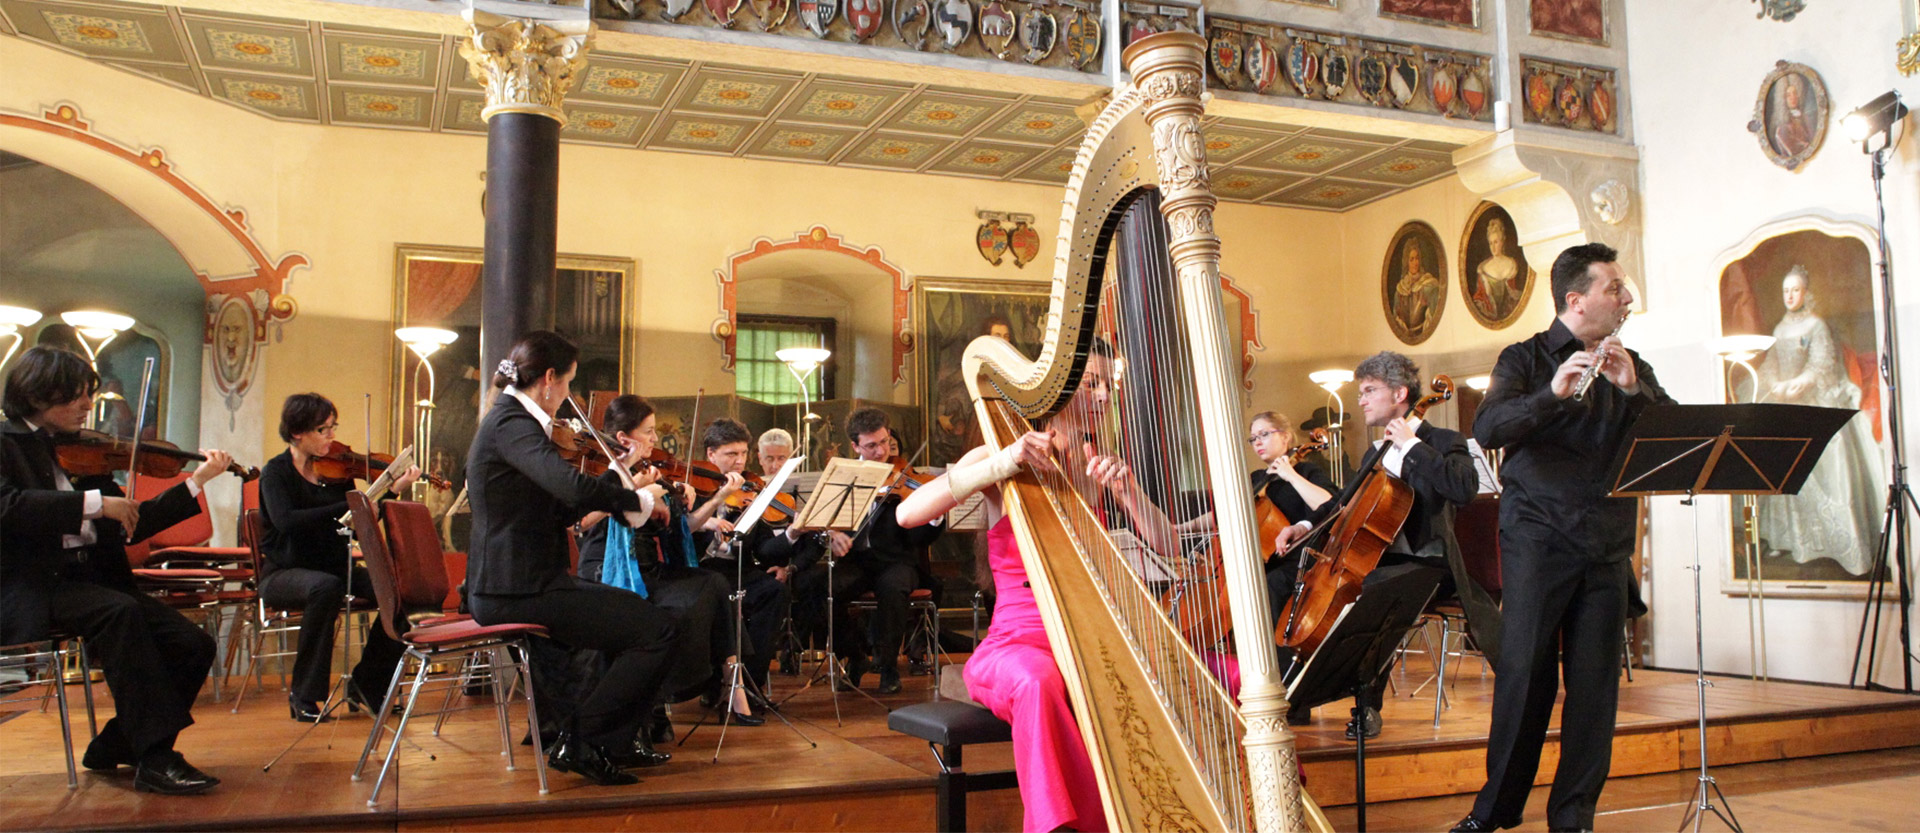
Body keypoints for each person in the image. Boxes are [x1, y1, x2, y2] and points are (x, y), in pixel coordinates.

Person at [1452, 243, 1674, 833]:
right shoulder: (1523, 358)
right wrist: (1550, 395)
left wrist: (1634, 393)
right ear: (1576, 300)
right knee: (1525, 678)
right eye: (1616, 289)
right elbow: (1489, 426)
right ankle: (1493, 812)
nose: (1627, 299)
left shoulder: (1633, 364)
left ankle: (1573, 819)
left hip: (1605, 545)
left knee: (1595, 691)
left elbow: (1674, 434)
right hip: (1538, 542)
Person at [894, 342, 1141, 833]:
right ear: (1057, 388)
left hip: (1092, 635)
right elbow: (908, 513)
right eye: (1091, 383)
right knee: (1038, 681)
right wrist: (1003, 463)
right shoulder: (1000, 449)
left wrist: (1129, 494)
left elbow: (1165, 544)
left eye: (1109, 385)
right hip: (1016, 640)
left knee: (1222, 674)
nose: (1103, 395)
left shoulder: (1100, 461)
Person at [0, 345, 237, 795]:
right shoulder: (4, 443)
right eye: (76, 396)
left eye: (88, 395)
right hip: (35, 585)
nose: (88, 406)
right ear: (37, 396)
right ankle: (156, 758)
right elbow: (8, 507)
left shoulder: (81, 453)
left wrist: (196, 482)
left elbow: (133, 521)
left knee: (193, 643)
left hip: (93, 581)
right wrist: (93, 504)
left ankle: (116, 744)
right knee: (119, 614)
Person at [464, 330, 674, 786]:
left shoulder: (512, 422)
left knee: (643, 622)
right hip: (514, 589)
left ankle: (600, 740)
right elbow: (570, 486)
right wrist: (630, 498)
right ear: (549, 378)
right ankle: (585, 742)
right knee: (657, 629)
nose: (569, 396)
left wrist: (625, 489)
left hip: (527, 583)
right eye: (569, 384)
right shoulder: (511, 424)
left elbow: (559, 506)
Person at [1272, 352, 1496, 740]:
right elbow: (1344, 503)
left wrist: (1412, 447)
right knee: (1295, 585)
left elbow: (1464, 488)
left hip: (1429, 563)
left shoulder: (1442, 441)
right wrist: (1304, 525)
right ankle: (1297, 696)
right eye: (1361, 392)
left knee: (1372, 597)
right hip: (1379, 560)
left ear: (1400, 394)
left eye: (1369, 390)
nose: (1361, 399)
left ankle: (1366, 706)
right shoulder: (1374, 452)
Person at [574, 394, 742, 745]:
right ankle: (661, 698)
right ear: (624, 439)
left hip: (649, 569)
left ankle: (719, 682)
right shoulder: (609, 475)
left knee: (712, 582)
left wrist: (716, 499)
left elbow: (686, 527)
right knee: (682, 605)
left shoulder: (654, 475)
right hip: (609, 569)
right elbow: (583, 521)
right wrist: (632, 490)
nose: (655, 439)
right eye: (648, 432)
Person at [256, 392, 418, 722]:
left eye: (333, 427)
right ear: (298, 432)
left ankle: (367, 685)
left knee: (404, 592)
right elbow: (285, 520)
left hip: (335, 566)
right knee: (325, 588)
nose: (332, 436)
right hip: (285, 571)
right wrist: (345, 505)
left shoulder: (338, 471)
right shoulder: (275, 473)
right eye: (323, 429)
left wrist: (389, 492)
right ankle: (303, 695)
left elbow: (359, 528)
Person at [1753, 265, 1884, 574]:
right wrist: (1775, 384)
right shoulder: (1779, 330)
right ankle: (1789, 540)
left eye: (1795, 290)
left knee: (1825, 460)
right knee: (1784, 467)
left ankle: (1838, 545)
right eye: (1785, 291)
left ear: (1806, 293)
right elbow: (1771, 363)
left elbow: (1822, 363)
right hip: (1784, 401)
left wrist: (1801, 382)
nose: (1789, 296)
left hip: (1812, 400)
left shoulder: (1816, 325)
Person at [812, 408, 944, 694]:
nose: (881, 450)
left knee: (893, 588)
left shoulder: (909, 481)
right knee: (823, 590)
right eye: (871, 445)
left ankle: (888, 667)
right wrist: (831, 534)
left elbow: (921, 536)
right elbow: (820, 520)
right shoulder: (843, 478)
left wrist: (936, 514)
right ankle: (855, 656)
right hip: (857, 561)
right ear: (855, 446)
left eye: (884, 441)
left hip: (899, 561)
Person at [690, 417, 795, 723]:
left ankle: (751, 684)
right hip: (703, 570)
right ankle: (714, 683)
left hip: (740, 570)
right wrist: (709, 521)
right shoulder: (694, 488)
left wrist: (792, 534)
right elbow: (680, 535)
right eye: (730, 454)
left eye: (743, 454)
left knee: (774, 591)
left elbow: (763, 548)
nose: (739, 461)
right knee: (718, 596)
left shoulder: (752, 490)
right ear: (711, 454)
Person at [1472, 217, 1522, 321]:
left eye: (1496, 242)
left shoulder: (1512, 265)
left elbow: (1517, 297)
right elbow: (1478, 299)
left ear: (1502, 241)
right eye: (1490, 243)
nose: (1493, 247)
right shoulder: (1483, 268)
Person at [1394, 241, 1444, 335]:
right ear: (1406, 262)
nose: (1415, 263)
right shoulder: (1400, 290)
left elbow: (1434, 317)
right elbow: (1395, 318)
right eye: (1411, 259)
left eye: (1417, 258)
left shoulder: (1429, 285)